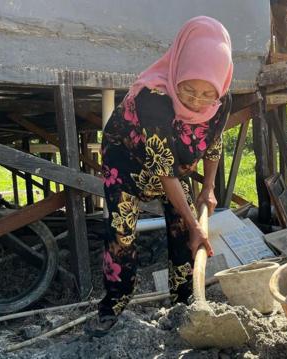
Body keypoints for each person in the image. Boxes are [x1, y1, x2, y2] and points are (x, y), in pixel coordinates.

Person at [85, 16, 234, 337]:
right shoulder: (152, 97)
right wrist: (197, 224)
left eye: (206, 93)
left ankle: (183, 304)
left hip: (175, 165)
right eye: (188, 89)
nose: (196, 101)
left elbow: (215, 141)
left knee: (183, 231)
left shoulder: (219, 101)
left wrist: (208, 188)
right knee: (122, 235)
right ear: (177, 70)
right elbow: (163, 171)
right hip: (127, 164)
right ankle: (113, 308)